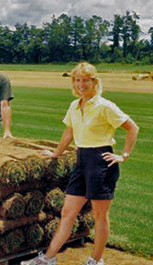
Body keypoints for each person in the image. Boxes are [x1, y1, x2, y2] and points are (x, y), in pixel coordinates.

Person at [22, 62, 139, 265]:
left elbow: (133, 128)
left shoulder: (105, 106)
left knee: (100, 215)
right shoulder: (74, 106)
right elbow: (69, 133)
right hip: (82, 160)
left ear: (94, 82)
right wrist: (56, 153)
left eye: (85, 80)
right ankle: (48, 259)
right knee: (68, 212)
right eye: (77, 80)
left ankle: (95, 260)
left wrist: (124, 155)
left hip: (101, 162)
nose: (80, 84)